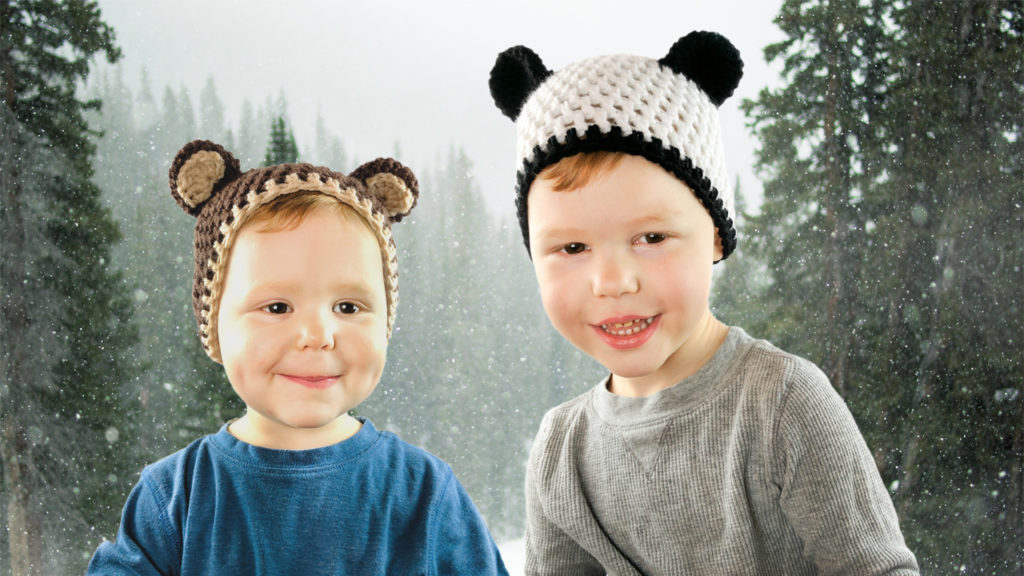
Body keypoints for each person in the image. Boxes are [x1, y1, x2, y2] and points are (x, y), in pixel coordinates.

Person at [489, 31, 919, 575]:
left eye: (651, 238)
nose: (613, 282)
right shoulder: (560, 450)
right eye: (572, 247)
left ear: (715, 235)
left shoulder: (782, 404)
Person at [87, 140, 508, 575]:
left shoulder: (425, 495)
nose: (317, 336)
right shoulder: (176, 499)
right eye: (277, 308)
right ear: (215, 326)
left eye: (347, 307)